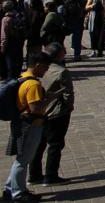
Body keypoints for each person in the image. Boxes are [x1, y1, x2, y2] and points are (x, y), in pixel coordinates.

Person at [4, 51, 51, 201]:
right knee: (23, 160)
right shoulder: (33, 85)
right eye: (45, 67)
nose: (46, 70)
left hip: (20, 123)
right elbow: (36, 109)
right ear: (37, 65)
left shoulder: (22, 78)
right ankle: (18, 194)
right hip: (31, 125)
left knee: (21, 159)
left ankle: (9, 189)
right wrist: (49, 99)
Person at [28, 42, 72, 186]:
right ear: (59, 55)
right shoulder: (61, 71)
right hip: (56, 112)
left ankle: (34, 175)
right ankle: (51, 176)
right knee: (55, 144)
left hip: (40, 112)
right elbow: (67, 94)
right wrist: (69, 108)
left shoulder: (39, 70)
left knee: (39, 144)